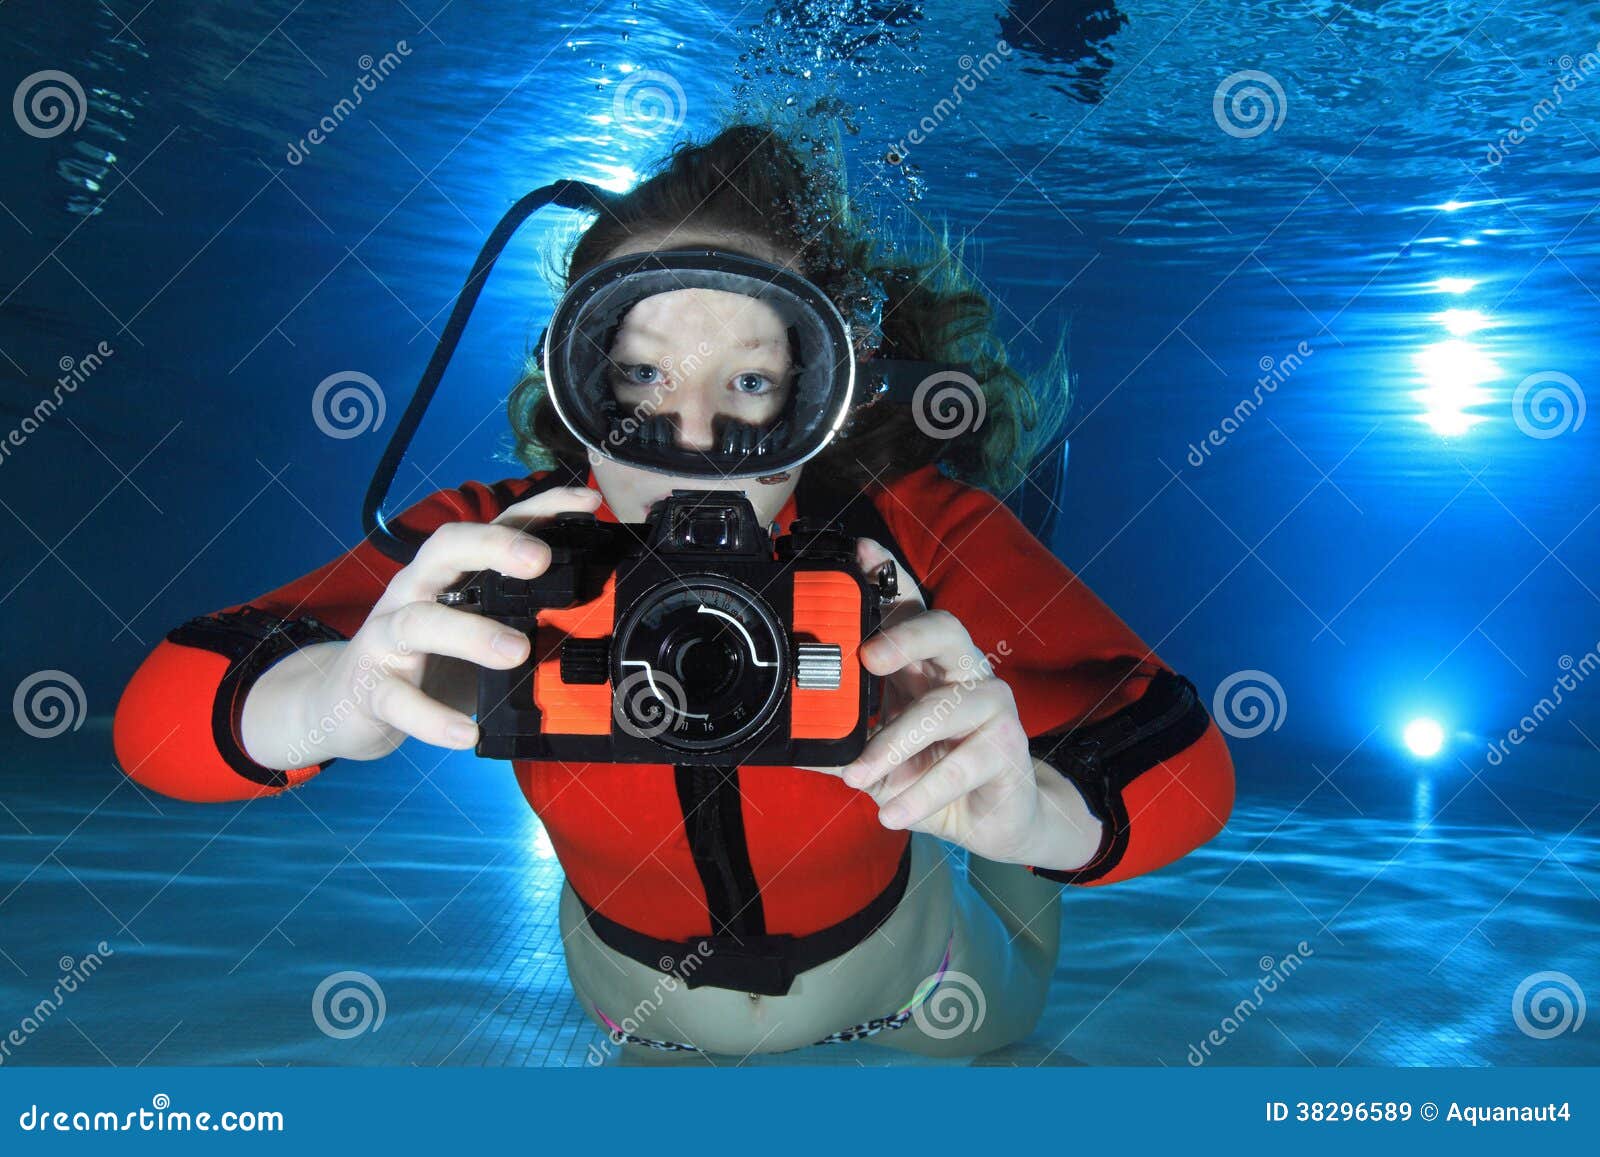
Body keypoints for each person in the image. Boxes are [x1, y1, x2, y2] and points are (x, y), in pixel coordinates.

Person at [112, 121, 1234, 1061]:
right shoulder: (491, 546)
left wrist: (1036, 813)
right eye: (643, 376)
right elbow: (155, 720)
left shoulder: (908, 528)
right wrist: (329, 698)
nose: (694, 440)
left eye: (750, 383)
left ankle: (996, 765)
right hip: (643, 1019)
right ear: (578, 378)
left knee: (987, 742)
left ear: (819, 396)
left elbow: (1186, 754)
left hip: (930, 989)